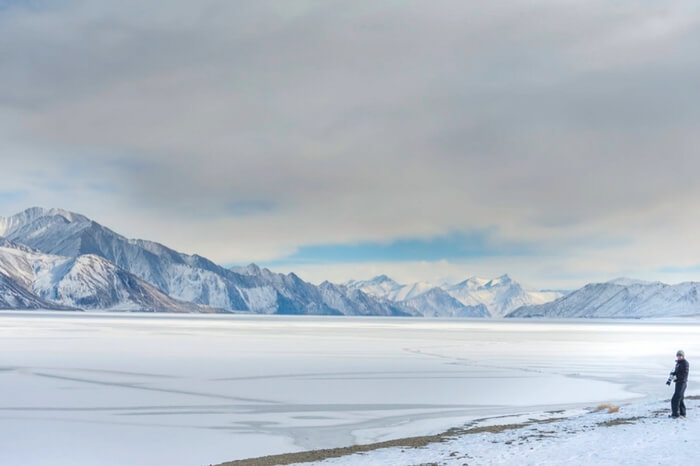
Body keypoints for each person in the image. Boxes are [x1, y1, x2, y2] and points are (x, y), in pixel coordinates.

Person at [670, 350, 689, 419]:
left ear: (683, 356)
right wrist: (673, 374)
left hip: (682, 383)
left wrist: (676, 377)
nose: (679, 357)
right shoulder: (678, 363)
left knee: (675, 399)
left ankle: (675, 414)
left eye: (680, 355)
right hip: (678, 383)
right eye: (678, 356)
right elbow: (677, 372)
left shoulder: (685, 363)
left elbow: (684, 374)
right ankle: (683, 413)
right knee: (680, 398)